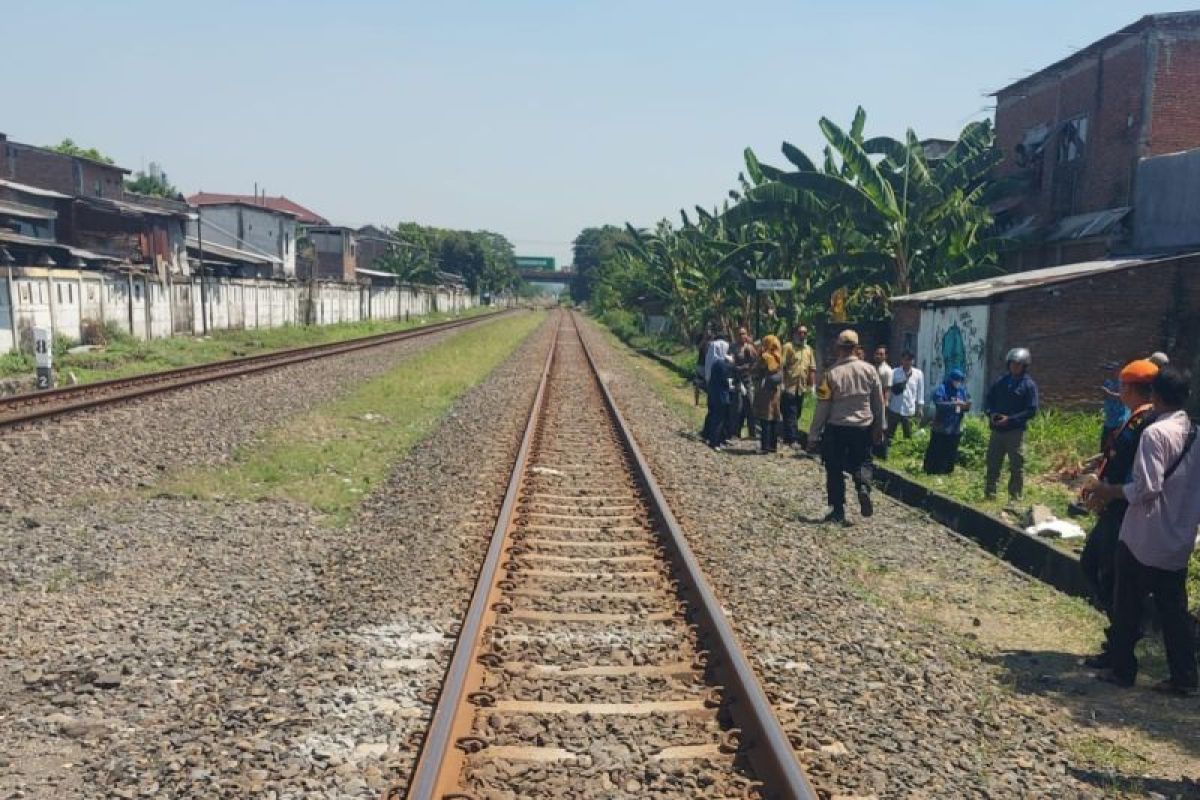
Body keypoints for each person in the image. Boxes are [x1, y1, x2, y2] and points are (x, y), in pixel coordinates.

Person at [1083, 367, 1199, 695]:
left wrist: (1112, 491)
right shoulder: (1195, 433)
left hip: (1143, 534)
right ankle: (1184, 677)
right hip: (1178, 538)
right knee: (1174, 611)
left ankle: (1122, 669)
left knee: (1127, 603)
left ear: (1155, 396)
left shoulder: (1154, 434)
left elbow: (1147, 488)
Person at [1077, 359, 1159, 667]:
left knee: (1108, 572)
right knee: (1096, 566)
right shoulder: (1135, 418)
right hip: (1114, 503)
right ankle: (1120, 634)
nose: (1119, 390)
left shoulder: (1146, 422)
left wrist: (1107, 489)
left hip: (1123, 507)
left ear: (1131, 388)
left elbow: (1133, 467)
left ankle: (1122, 639)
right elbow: (1115, 455)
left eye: (1123, 385)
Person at [808, 329, 884, 525]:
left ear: (838, 348)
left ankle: (838, 509)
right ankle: (863, 486)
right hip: (863, 426)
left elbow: (823, 406)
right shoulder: (870, 370)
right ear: (856, 348)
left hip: (837, 427)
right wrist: (879, 426)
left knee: (834, 467)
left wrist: (814, 434)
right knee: (863, 461)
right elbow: (878, 402)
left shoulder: (831, 374)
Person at [983, 347, 1039, 501]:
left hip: (1014, 432)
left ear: (1024, 366)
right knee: (993, 462)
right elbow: (989, 400)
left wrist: (1011, 419)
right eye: (1012, 364)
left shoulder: (1028, 385)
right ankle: (990, 492)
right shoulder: (1001, 381)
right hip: (997, 430)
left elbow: (1031, 410)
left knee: (1016, 465)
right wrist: (991, 413)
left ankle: (1014, 496)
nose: (1015, 367)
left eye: (1018, 364)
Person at [923, 368, 971, 474]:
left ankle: (947, 471)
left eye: (960, 380)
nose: (958, 382)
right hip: (941, 426)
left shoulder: (961, 391)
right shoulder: (942, 389)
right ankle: (931, 470)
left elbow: (966, 405)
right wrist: (953, 404)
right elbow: (939, 404)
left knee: (951, 450)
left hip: (955, 426)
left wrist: (965, 406)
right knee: (937, 449)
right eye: (956, 380)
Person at [780, 325, 816, 447]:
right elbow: (782, 366)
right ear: (794, 333)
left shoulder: (808, 350)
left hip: (802, 386)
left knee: (798, 412)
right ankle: (793, 439)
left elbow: (812, 368)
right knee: (791, 412)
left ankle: (787, 436)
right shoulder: (788, 347)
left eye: (805, 333)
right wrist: (782, 383)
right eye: (800, 333)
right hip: (789, 385)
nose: (802, 335)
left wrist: (812, 386)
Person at [884, 351, 925, 456]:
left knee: (909, 434)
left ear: (913, 361)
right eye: (905, 359)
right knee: (889, 433)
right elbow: (889, 389)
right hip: (895, 407)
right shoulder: (894, 372)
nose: (907, 362)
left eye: (910, 360)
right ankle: (886, 452)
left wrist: (920, 407)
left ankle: (907, 454)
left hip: (909, 409)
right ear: (902, 360)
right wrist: (887, 402)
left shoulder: (918, 374)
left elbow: (920, 391)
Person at [702, 337, 735, 450]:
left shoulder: (715, 363)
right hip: (722, 395)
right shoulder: (722, 364)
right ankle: (715, 442)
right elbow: (725, 380)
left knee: (715, 416)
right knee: (720, 418)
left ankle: (714, 438)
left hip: (714, 393)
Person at [753, 335, 784, 453]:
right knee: (774, 418)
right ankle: (773, 445)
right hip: (775, 392)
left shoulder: (766, 357)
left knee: (765, 418)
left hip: (765, 391)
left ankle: (765, 446)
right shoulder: (778, 356)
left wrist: (759, 355)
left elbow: (757, 369)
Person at [731, 327, 759, 439]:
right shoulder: (733, 347)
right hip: (737, 379)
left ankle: (752, 432)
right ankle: (735, 431)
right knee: (738, 406)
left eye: (744, 333)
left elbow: (755, 363)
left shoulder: (750, 347)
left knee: (751, 405)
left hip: (748, 379)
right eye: (740, 334)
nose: (742, 336)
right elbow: (731, 361)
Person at [1100, 361, 1129, 454]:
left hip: (1119, 420)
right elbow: (1105, 397)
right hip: (1109, 420)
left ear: (1118, 370)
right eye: (1109, 370)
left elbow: (1123, 397)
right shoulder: (1108, 382)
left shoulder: (1123, 383)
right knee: (1104, 447)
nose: (1110, 372)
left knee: (1115, 447)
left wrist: (1109, 393)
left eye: (1112, 370)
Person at [872, 345, 893, 458]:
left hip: (881, 401)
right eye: (877, 353)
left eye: (881, 354)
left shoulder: (887, 370)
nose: (878, 356)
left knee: (882, 426)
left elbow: (887, 388)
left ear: (885, 356)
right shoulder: (873, 368)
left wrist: (885, 402)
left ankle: (882, 452)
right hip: (872, 401)